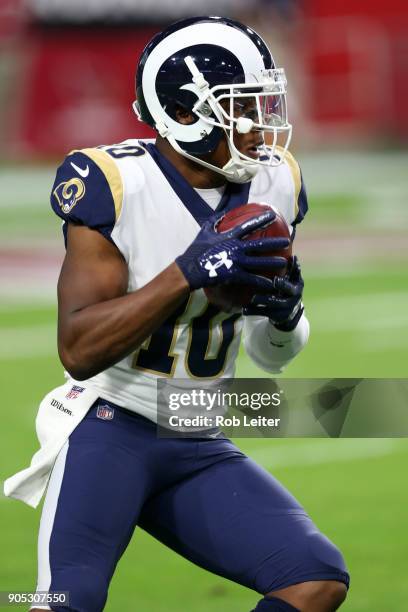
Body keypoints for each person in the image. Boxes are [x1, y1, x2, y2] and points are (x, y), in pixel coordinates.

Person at [8, 15, 349, 612]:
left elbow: (271, 359)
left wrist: (285, 314)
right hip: (110, 426)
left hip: (199, 427)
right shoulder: (115, 183)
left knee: (313, 579)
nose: (260, 123)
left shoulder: (276, 181)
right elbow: (79, 350)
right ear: (186, 112)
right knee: (67, 599)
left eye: (261, 103)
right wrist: (186, 272)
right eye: (241, 106)